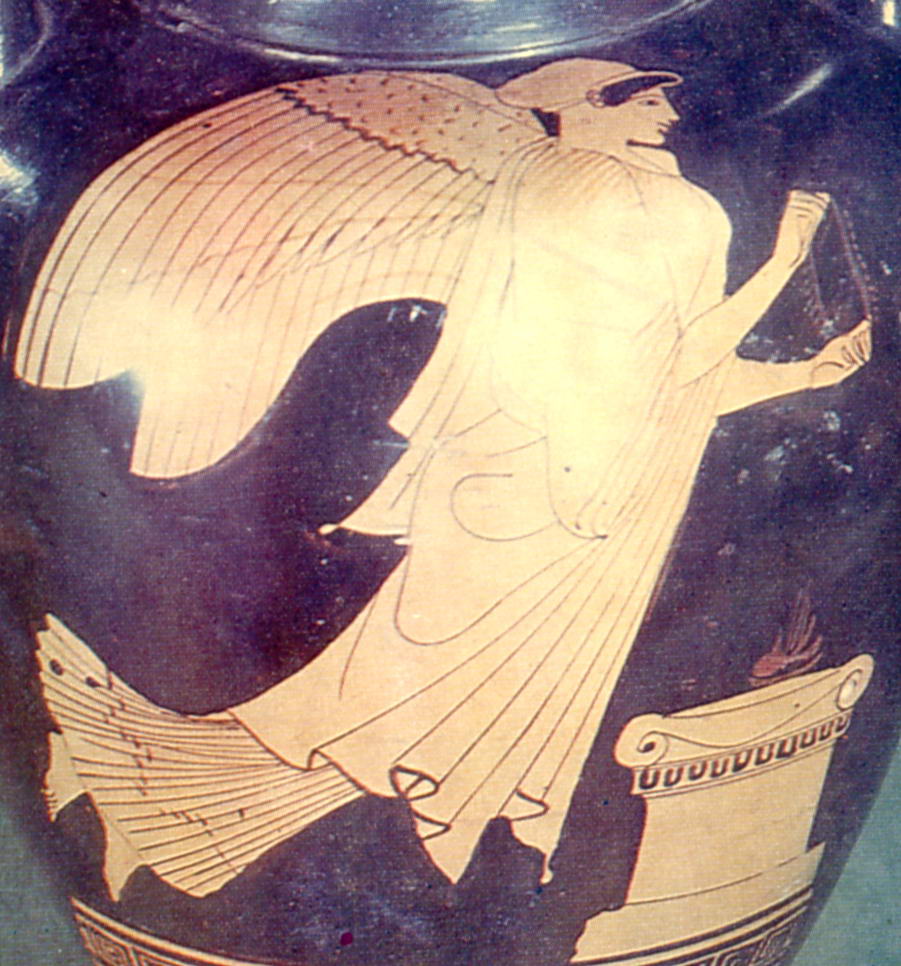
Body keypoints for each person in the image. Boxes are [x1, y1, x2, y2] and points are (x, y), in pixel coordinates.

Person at [231, 59, 872, 884]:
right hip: (542, 481)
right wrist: (782, 262)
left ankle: (431, 860)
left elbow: (670, 383)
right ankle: (345, 850)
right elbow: (674, 363)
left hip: (598, 476)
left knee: (493, 687)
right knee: (445, 680)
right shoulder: (585, 196)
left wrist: (806, 373)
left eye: (663, 95)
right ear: (580, 109)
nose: (667, 111)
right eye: (643, 98)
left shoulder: (651, 194)